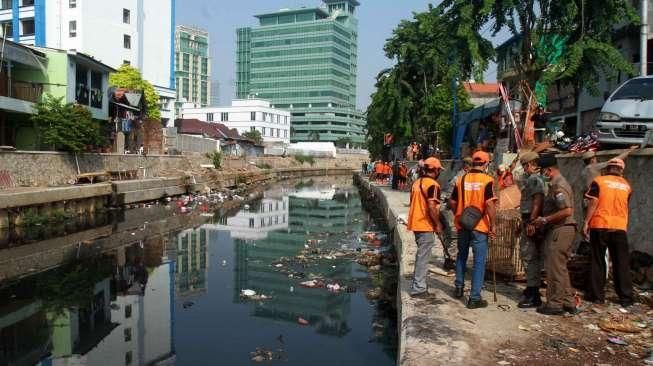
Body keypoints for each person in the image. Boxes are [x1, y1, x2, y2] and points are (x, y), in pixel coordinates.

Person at [582, 158, 633, 307]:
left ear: (607, 168)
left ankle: (597, 296)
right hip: (619, 227)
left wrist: (586, 222)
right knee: (621, 263)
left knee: (598, 260)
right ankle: (626, 298)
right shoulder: (627, 186)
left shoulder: (599, 181)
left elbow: (593, 202)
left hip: (600, 224)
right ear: (621, 171)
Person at [449, 151, 497, 309]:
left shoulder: (461, 179)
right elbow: (489, 204)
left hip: (463, 224)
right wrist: (493, 224)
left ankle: (458, 288)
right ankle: (474, 298)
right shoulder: (487, 180)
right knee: (478, 262)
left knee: (461, 256)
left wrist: (460, 214)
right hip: (480, 226)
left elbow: (452, 201)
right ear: (486, 163)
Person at [532, 154, 578, 315]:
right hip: (561, 229)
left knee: (554, 269)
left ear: (549, 170)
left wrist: (545, 219)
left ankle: (555, 304)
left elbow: (567, 210)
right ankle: (568, 302)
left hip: (561, 229)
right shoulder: (555, 184)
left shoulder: (559, 186)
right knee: (561, 268)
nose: (541, 175)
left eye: (542, 171)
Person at [406, 157, 445, 297]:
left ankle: (419, 284)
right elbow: (431, 206)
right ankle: (419, 288)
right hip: (425, 224)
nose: (439, 171)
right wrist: (437, 223)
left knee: (421, 255)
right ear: (434, 170)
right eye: (439, 169)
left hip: (415, 223)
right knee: (423, 257)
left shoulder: (417, 183)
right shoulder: (433, 185)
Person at [516, 151, 547, 308]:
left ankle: (534, 293)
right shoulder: (535, 179)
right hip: (528, 220)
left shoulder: (535, 179)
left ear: (529, 165)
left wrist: (531, 222)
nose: (524, 169)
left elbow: (537, 200)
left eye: (524, 166)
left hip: (531, 220)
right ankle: (531, 288)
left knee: (529, 256)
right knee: (529, 255)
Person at [440, 157, 472, 271]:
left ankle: (449, 258)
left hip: (449, 207)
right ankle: (451, 260)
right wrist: (458, 215)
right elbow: (450, 200)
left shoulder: (462, 176)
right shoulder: (460, 177)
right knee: (453, 234)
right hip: (449, 208)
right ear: (467, 166)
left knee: (450, 235)